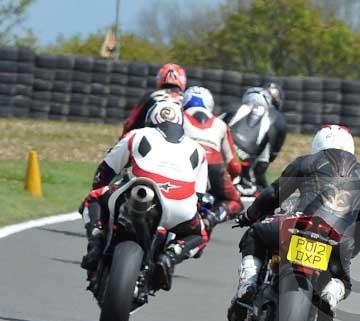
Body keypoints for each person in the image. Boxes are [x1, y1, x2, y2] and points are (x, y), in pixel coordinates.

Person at [227, 124, 360, 321]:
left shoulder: (306, 162)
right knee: (343, 280)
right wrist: (351, 248)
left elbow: (273, 195)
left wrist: (249, 216)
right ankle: (330, 297)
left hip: (298, 226)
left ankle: (248, 284)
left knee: (255, 233)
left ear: (318, 143)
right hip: (336, 240)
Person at [81, 100, 209, 290]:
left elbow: (104, 171)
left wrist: (100, 193)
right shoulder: (198, 150)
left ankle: (96, 242)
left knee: (94, 198)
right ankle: (172, 254)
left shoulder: (137, 135)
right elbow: (198, 197)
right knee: (200, 235)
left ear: (151, 119)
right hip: (179, 207)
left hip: (138, 192)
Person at [182, 86, 243, 231]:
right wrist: (229, 179)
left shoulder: (178, 117)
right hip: (213, 164)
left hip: (183, 160)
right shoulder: (221, 124)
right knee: (235, 202)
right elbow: (235, 165)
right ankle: (212, 218)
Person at [220, 83, 288, 194]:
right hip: (245, 175)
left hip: (218, 162)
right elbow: (266, 160)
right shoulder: (277, 119)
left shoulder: (232, 108)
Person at [121, 63, 187, 137]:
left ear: (160, 77)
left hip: (152, 142)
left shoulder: (151, 97)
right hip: (182, 142)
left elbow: (131, 123)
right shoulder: (187, 100)